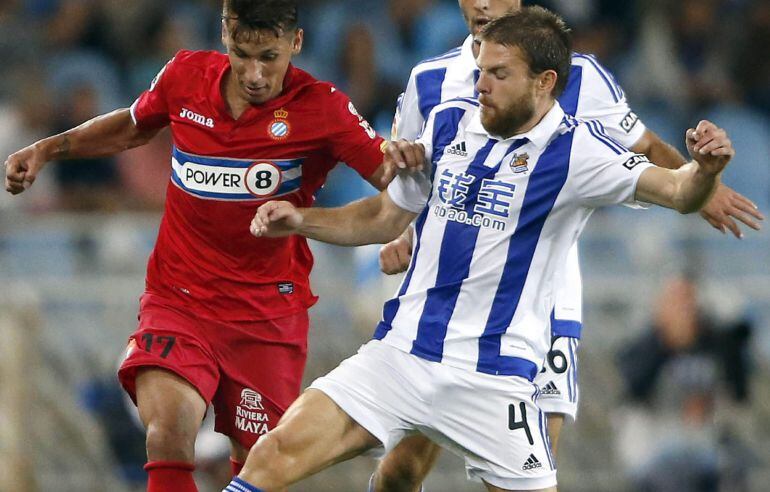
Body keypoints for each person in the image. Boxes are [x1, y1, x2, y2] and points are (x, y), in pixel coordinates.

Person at [225, 7, 736, 492]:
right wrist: (300, 221)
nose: (480, 85)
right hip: (400, 354)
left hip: (494, 382)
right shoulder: (448, 123)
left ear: (544, 83)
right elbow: (383, 216)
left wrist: (705, 171)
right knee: (274, 455)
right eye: (480, 70)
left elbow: (677, 191)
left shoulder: (580, 151)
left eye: (498, 74)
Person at [3, 1, 423, 491]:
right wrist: (47, 148)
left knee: (257, 469)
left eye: (270, 56)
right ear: (225, 32)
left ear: (296, 43)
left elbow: (392, 183)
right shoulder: (186, 76)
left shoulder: (322, 107)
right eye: (243, 53)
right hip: (179, 298)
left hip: (266, 313)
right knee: (166, 432)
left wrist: (406, 222)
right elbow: (131, 127)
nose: (255, 73)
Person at [374, 1, 762, 489]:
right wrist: (401, 233)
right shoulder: (429, 81)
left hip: (546, 297)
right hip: (453, 298)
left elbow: (642, 148)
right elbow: (410, 178)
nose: (485, 4)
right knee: (403, 468)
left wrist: (698, 186)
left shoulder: (579, 76)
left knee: (534, 470)